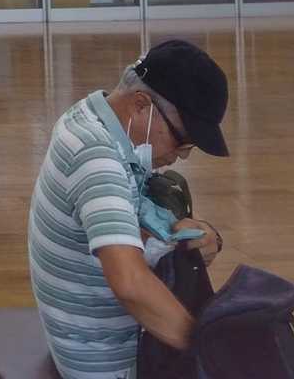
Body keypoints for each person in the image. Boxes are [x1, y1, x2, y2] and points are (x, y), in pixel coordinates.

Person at [29, 39, 230, 379]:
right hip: (109, 362)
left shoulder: (91, 115)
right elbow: (130, 284)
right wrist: (209, 354)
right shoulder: (96, 158)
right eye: (182, 138)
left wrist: (203, 235)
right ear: (140, 105)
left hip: (106, 339)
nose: (183, 154)